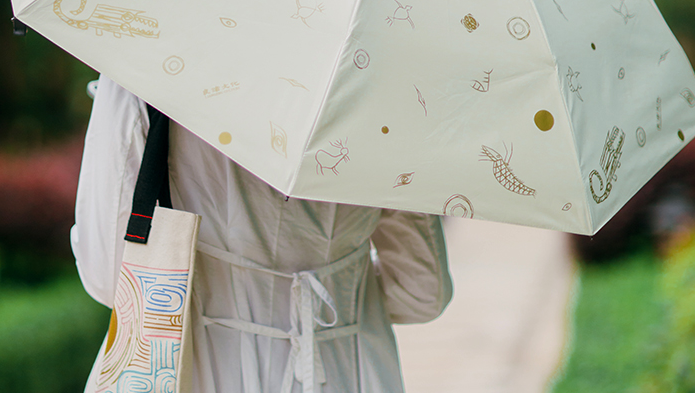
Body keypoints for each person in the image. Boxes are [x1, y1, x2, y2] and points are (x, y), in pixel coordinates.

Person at [72, 74, 453, 393]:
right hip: (347, 371)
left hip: (202, 370)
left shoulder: (143, 64)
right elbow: (422, 291)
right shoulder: (387, 78)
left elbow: (110, 278)